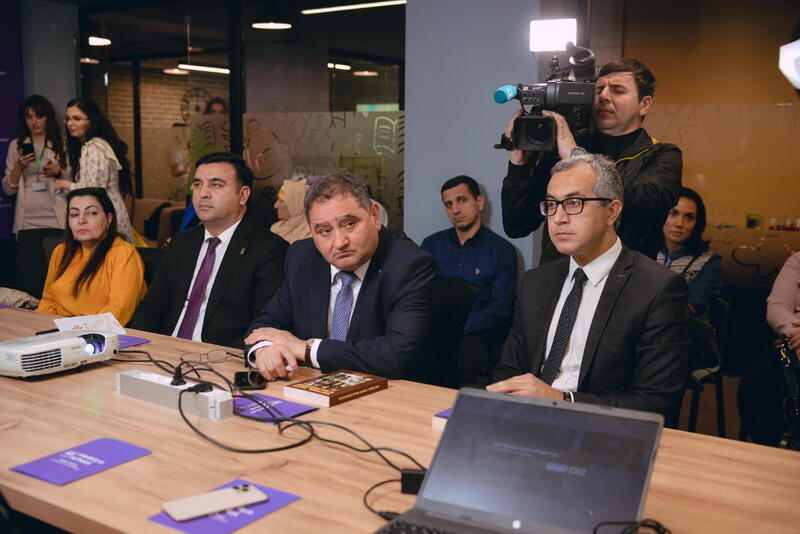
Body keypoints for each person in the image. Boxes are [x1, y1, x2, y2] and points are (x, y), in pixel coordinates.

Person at [488, 153, 690, 423]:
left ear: (611, 212)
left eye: (574, 203)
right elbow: (508, 370)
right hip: (526, 421)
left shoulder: (657, 289)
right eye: (551, 204)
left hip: (601, 429)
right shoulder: (536, 281)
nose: (558, 218)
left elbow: (656, 403)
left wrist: (561, 400)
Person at [245, 172, 437, 381]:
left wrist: (306, 349)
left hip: (388, 391)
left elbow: (394, 355)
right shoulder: (303, 257)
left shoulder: (410, 265)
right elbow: (266, 324)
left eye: (349, 224)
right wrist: (264, 350)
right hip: (311, 384)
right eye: (324, 231)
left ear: (374, 216)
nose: (339, 242)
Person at [501, 58, 682, 263]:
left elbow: (645, 205)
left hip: (624, 277)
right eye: (598, 90)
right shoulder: (565, 149)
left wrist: (576, 158)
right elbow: (517, 226)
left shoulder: (663, 155)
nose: (604, 96)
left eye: (617, 90)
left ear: (644, 104)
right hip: (561, 275)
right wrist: (519, 166)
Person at [129, 152, 287, 349]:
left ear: (243, 195)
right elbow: (152, 307)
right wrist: (136, 348)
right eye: (197, 185)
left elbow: (265, 326)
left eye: (216, 185)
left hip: (221, 356)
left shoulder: (269, 249)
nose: (203, 194)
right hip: (165, 349)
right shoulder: (182, 242)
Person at [421, 175, 516, 384]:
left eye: (462, 200)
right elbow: (418, 293)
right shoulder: (431, 245)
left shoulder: (501, 251)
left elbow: (501, 309)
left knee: (467, 355)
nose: (455, 210)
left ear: (479, 202)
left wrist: (457, 327)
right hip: (434, 329)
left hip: (475, 333)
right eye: (448, 204)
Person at [36, 187, 146, 325]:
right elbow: (48, 300)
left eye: (91, 213)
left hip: (101, 333)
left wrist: (71, 328)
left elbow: (118, 313)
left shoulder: (123, 254)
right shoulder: (61, 251)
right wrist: (38, 326)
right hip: (60, 329)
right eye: (74, 214)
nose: (81, 220)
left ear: (109, 219)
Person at [54, 98, 135, 244]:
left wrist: (63, 184)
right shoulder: (97, 145)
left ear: (91, 121)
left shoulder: (93, 148)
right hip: (105, 211)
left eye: (77, 119)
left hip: (103, 215)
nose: (70, 123)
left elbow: (93, 190)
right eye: (68, 119)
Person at [2, 95, 69, 234]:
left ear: (48, 118)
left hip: (57, 217)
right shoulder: (16, 145)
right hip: (27, 220)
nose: (34, 122)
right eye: (29, 117)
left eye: (39, 116)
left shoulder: (62, 144)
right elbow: (8, 190)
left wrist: (57, 173)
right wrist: (19, 167)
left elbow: (74, 184)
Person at [659, 187, 721, 317]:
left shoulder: (709, 261)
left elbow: (693, 305)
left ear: (697, 223)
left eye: (689, 217)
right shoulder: (644, 254)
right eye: (673, 213)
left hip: (684, 327)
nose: (679, 223)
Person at [270, 179, 311, 243]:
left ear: (296, 204)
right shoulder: (276, 228)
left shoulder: (311, 235)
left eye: (281, 201)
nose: (275, 205)